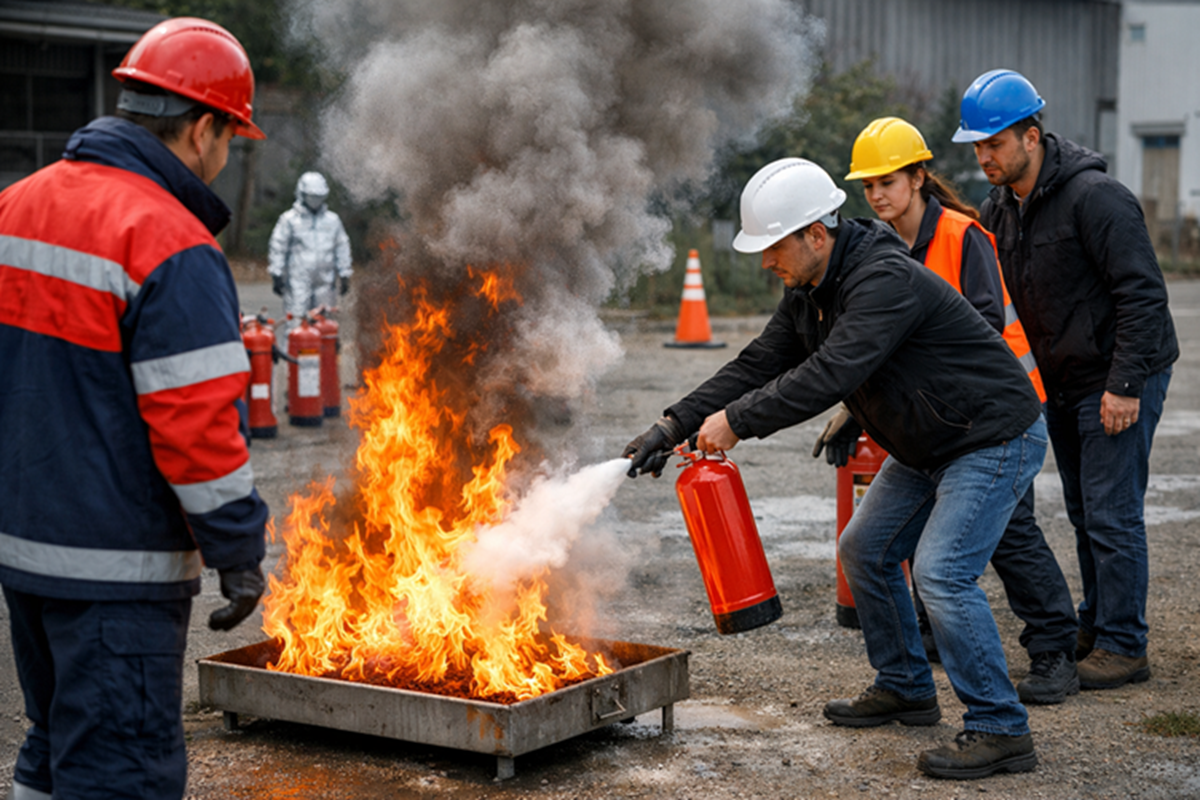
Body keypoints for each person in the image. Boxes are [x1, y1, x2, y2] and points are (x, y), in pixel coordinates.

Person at [624, 157, 1048, 780]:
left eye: (773, 248)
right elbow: (754, 364)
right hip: (931, 441)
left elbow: (831, 374)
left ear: (815, 235)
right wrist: (672, 425)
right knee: (865, 551)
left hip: (991, 435)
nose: (765, 262)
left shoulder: (882, 279)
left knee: (942, 573)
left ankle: (1000, 728)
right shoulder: (809, 292)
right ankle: (906, 685)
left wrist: (737, 423)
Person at [0, 18, 270, 799]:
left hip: (23, 555)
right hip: (118, 577)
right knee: (121, 773)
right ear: (202, 127)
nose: (225, 158)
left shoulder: (15, 204)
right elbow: (197, 426)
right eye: (230, 139)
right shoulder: (169, 243)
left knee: (52, 747)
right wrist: (237, 550)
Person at [832, 116, 1079, 705]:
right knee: (921, 530)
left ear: (919, 177)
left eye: (887, 181)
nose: (877, 195)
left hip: (999, 409)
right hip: (944, 416)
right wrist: (855, 406)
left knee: (1010, 533)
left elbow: (985, 325)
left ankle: (1054, 648)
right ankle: (927, 643)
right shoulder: (884, 246)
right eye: (867, 187)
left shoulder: (962, 236)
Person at [956, 69, 1178, 691]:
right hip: (1064, 380)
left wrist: (1125, 385)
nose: (983, 157)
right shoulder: (1000, 209)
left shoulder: (1095, 197)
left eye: (993, 143)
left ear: (1031, 136)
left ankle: (1124, 645)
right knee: (1084, 511)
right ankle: (1098, 623)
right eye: (976, 145)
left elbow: (1142, 294)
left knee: (1111, 513)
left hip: (1118, 372)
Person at [268, 171, 353, 322]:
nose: (315, 200)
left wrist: (345, 273)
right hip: (298, 280)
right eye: (312, 196)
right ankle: (295, 346)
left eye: (318, 197)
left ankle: (325, 347)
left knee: (324, 322)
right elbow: (278, 246)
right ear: (302, 194)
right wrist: (277, 273)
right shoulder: (289, 220)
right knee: (297, 321)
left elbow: (342, 246)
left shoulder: (332, 220)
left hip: (326, 280)